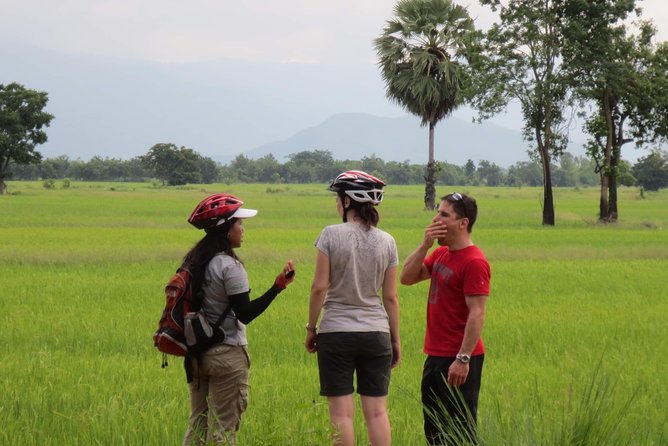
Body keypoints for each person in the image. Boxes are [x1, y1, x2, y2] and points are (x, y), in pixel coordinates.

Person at [181, 193, 295, 446]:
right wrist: (276, 289)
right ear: (225, 229)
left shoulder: (194, 261)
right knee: (223, 431)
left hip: (197, 354)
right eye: (239, 224)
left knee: (197, 425)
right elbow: (245, 313)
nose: (243, 230)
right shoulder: (229, 266)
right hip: (227, 356)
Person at [305, 170, 401, 446]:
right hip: (377, 333)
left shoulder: (330, 235)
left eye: (338, 198)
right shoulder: (388, 241)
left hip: (336, 332)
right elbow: (391, 297)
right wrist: (394, 340)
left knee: (341, 415)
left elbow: (319, 288)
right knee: (377, 413)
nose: (336, 203)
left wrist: (312, 328)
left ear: (346, 201)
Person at [400, 193, 491, 446]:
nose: (436, 219)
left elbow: (477, 313)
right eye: (437, 213)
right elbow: (406, 278)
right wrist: (424, 245)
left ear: (463, 223)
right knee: (435, 428)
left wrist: (462, 359)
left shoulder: (474, 262)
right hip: (435, 355)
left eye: (443, 214)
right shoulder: (441, 255)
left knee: (460, 430)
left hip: (460, 358)